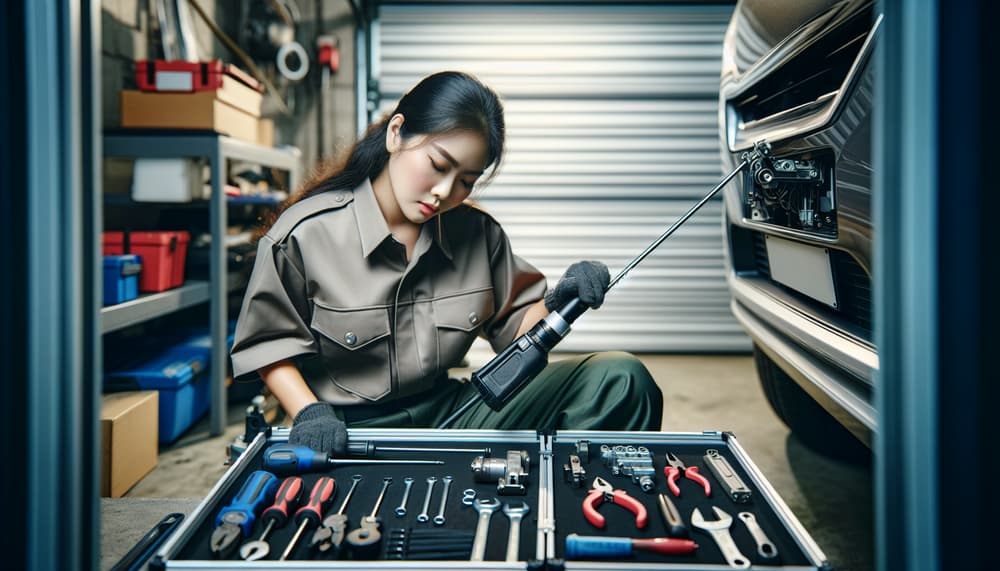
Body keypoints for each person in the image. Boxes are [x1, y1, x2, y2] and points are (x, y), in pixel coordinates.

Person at [230, 71, 663, 457]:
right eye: (438, 165)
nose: (444, 192)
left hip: (451, 415)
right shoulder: (305, 234)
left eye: (466, 181)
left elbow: (518, 328)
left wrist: (560, 301)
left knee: (620, 378)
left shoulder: (477, 234)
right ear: (396, 133)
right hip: (348, 429)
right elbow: (270, 343)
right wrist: (308, 413)